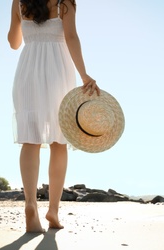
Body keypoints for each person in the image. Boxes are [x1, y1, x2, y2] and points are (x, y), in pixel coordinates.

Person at [8, 0, 100, 232]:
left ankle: (30, 204)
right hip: (58, 71)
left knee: (30, 140)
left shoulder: (19, 2)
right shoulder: (64, 2)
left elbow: (13, 42)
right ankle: (53, 210)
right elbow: (71, 38)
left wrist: (25, 23)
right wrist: (84, 75)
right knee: (59, 141)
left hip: (27, 72)